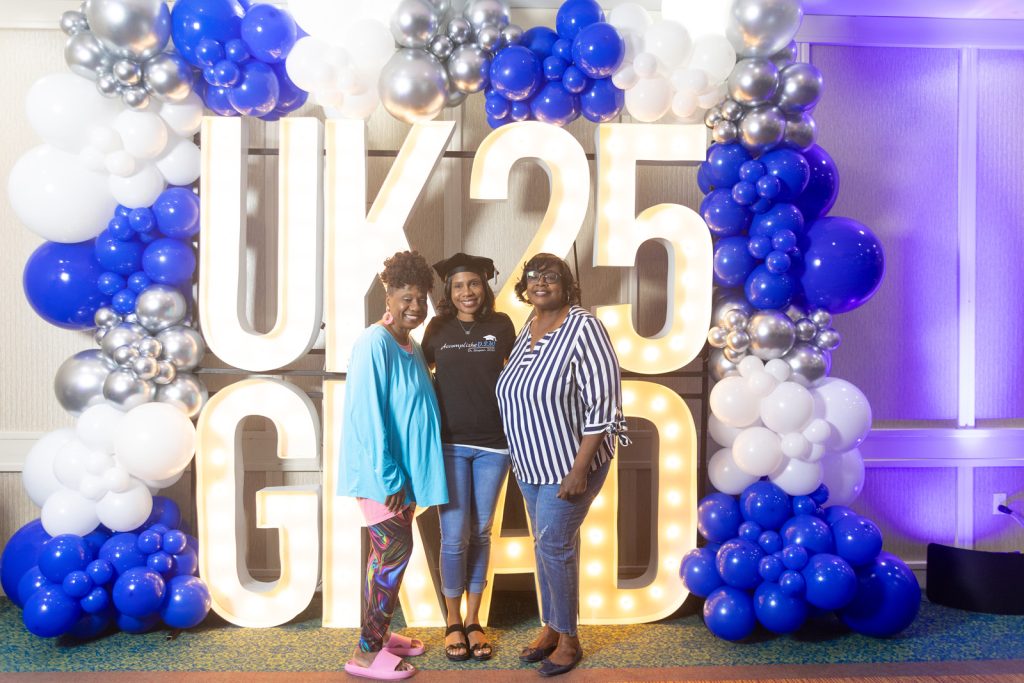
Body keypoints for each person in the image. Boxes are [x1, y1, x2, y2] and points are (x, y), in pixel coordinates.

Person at [496, 253, 627, 678]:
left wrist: (579, 470)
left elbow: (604, 405)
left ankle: (569, 640)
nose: (540, 282)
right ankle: (552, 627)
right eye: (533, 276)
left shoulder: (584, 327)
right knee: (545, 546)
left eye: (550, 276)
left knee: (555, 545)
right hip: (530, 462)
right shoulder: (528, 326)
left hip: (569, 463)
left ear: (566, 284)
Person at [339, 251, 447, 681]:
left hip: (402, 476)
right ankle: (365, 654)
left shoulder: (410, 345)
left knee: (386, 558)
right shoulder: (375, 342)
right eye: (406, 298)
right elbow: (367, 414)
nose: (415, 307)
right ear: (389, 297)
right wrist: (390, 476)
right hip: (383, 477)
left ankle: (379, 636)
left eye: (421, 299)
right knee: (392, 557)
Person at [422, 253, 516, 662]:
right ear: (449, 290)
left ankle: (474, 621)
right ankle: (452, 621)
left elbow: (519, 377)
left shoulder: (502, 326)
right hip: (450, 445)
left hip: (495, 445)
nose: (467, 292)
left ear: (484, 287)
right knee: (454, 535)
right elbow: (418, 374)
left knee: (480, 532)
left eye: (473, 283)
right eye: (458, 286)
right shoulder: (437, 328)